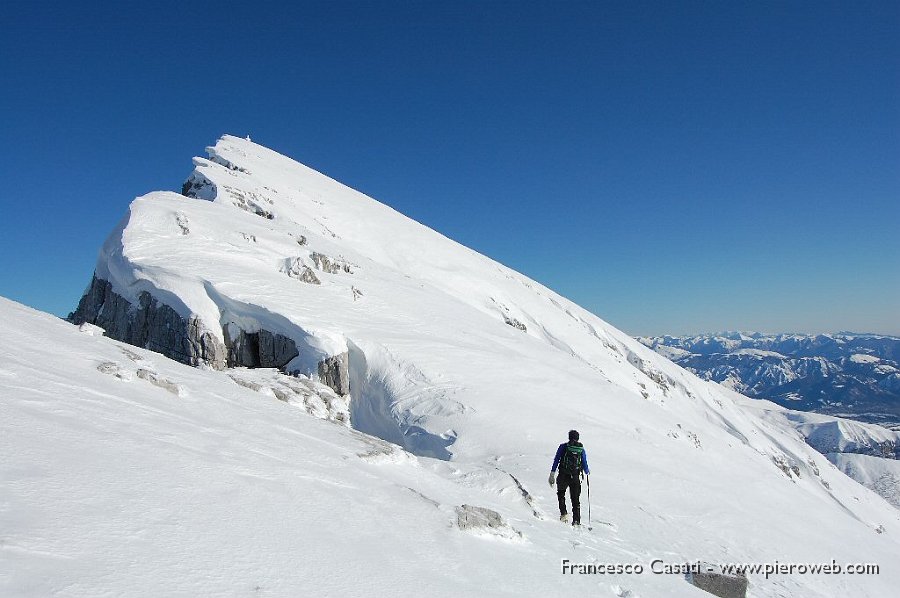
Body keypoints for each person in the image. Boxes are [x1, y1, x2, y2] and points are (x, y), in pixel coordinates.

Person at [549, 429, 590, 525]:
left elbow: (556, 460)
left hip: (563, 475)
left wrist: (552, 474)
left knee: (561, 493)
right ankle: (576, 521)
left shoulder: (563, 447)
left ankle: (564, 515)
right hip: (575, 477)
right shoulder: (581, 449)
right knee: (575, 499)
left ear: (569, 437)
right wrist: (587, 472)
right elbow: (584, 464)